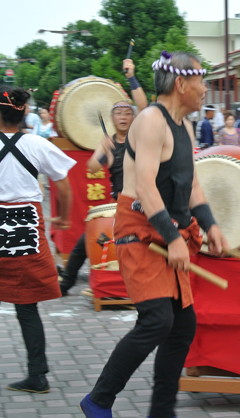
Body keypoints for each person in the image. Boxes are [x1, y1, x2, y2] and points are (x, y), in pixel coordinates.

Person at [79, 51, 228, 418]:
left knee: (182, 325)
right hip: (141, 230)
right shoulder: (150, 121)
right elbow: (145, 185)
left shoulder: (184, 125)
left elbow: (192, 184)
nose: (205, 90)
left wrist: (210, 225)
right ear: (181, 84)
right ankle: (99, 399)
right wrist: (174, 238)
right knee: (158, 320)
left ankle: (162, 412)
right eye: (201, 82)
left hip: (170, 229)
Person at [0, 86, 75, 393]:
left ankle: (37, 374)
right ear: (24, 113)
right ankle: (37, 373)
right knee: (25, 302)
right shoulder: (36, 143)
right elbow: (65, 186)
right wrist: (63, 217)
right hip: (25, 223)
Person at [58, 59, 148, 296]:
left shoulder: (138, 134)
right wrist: (103, 152)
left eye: (127, 113)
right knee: (89, 237)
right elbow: (90, 167)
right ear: (112, 118)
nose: (123, 117)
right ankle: (67, 282)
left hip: (144, 202)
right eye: (118, 113)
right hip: (120, 202)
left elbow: (144, 105)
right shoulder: (107, 142)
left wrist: (131, 77)